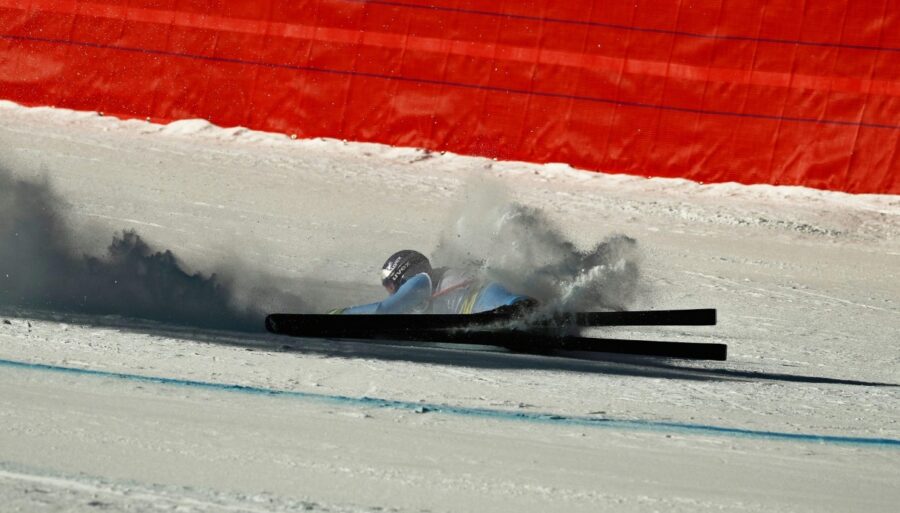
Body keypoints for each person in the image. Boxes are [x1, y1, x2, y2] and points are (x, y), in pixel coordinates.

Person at [330, 250, 537, 315]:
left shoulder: (419, 281)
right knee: (512, 305)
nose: (391, 292)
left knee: (512, 306)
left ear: (403, 274)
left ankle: (527, 308)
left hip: (481, 298)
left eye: (391, 286)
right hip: (484, 296)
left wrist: (341, 313)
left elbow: (383, 310)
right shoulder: (433, 279)